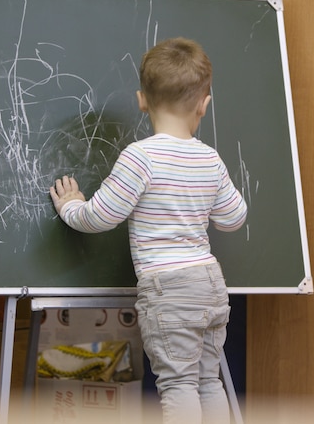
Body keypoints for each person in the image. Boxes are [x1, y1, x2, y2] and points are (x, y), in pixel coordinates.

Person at [49, 37, 247, 424]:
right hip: (210, 284)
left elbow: (101, 216)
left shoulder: (140, 158)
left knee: (178, 385)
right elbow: (234, 217)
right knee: (209, 380)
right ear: (204, 105)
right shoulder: (210, 157)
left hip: (169, 289)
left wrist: (70, 205)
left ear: (142, 99)